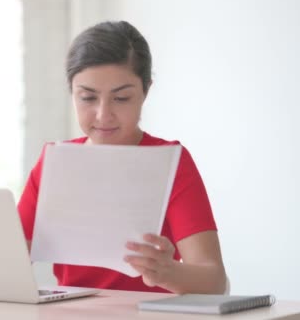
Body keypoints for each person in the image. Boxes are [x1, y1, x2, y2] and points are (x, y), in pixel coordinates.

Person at [17, 21, 227, 294]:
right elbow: (10, 260)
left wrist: (167, 272)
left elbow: (215, 281)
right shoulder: (54, 161)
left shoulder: (170, 161)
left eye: (122, 98)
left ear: (145, 92)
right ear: (72, 92)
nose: (103, 115)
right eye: (88, 98)